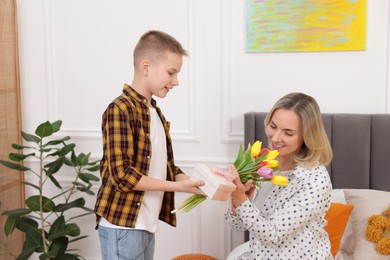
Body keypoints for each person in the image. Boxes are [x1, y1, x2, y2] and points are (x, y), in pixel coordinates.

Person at [94, 30, 205, 260]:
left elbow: (167, 169)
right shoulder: (120, 110)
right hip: (122, 227)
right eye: (171, 72)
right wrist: (179, 188)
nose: (176, 82)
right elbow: (122, 176)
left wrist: (199, 183)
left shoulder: (154, 112)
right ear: (146, 67)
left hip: (144, 225)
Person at [225, 92, 334, 260]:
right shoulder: (261, 163)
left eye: (288, 133)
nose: (275, 138)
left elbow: (273, 234)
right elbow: (237, 226)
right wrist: (239, 201)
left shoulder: (314, 180)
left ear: (306, 136)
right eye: (273, 126)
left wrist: (241, 202)